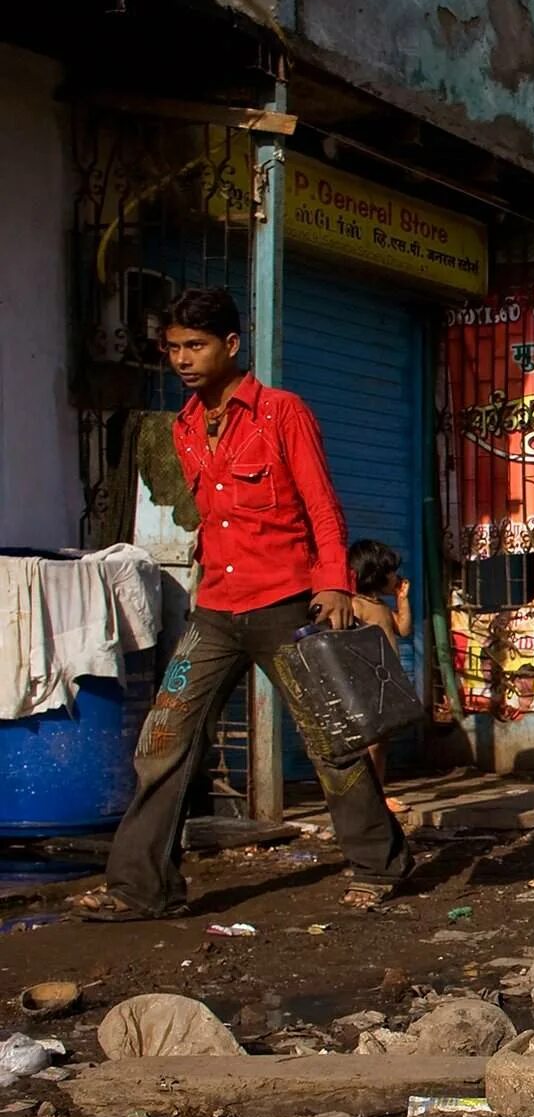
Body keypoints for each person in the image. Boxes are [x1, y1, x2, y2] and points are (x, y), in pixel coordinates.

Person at [72, 289, 411, 921]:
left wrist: (333, 582)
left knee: (330, 740)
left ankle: (379, 863)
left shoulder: (283, 413)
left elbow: (321, 504)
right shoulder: (183, 427)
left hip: (288, 605)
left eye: (195, 346)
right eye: (173, 348)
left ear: (231, 345)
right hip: (217, 609)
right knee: (165, 737)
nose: (182, 359)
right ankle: (142, 889)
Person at [348, 538, 414, 815]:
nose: (396, 577)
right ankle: (369, 797)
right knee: (371, 741)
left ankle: (378, 793)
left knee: (382, 741)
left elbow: (404, 628)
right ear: (375, 574)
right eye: (390, 572)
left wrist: (402, 600)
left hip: (387, 681)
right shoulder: (356, 605)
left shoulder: (381, 607)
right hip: (368, 681)